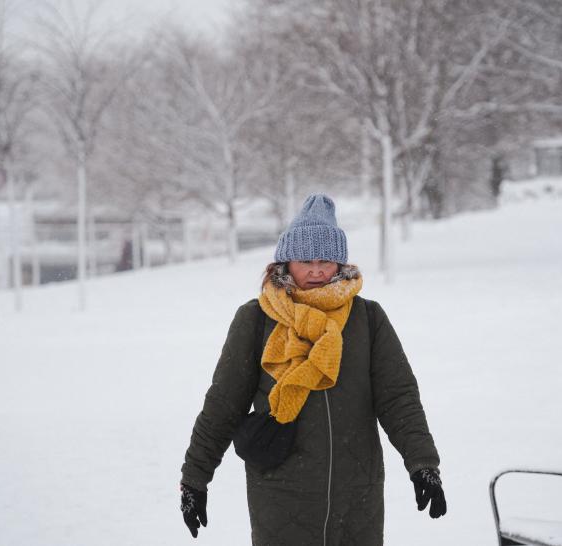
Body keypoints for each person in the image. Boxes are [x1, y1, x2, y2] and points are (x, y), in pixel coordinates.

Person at [180, 194, 446, 545]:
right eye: (306, 260)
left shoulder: (367, 318)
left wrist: (423, 463)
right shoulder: (257, 319)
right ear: (286, 263)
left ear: (341, 264)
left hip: (356, 493)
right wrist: (195, 478)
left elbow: (398, 398)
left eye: (327, 260)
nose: (318, 270)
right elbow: (223, 404)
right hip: (280, 491)